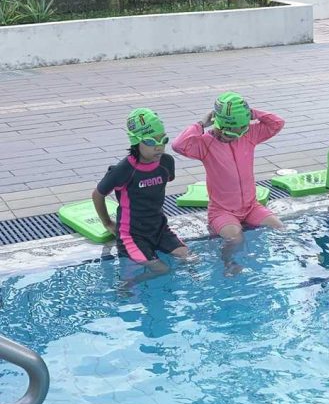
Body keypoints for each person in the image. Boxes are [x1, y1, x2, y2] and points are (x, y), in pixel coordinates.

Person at [172, 91, 284, 273]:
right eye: (231, 134)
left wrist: (251, 113)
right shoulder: (205, 144)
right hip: (222, 211)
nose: (236, 137)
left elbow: (277, 123)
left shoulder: (249, 135)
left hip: (251, 207)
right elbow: (178, 145)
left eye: (242, 130)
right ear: (219, 126)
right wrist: (200, 124)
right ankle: (227, 263)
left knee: (279, 228)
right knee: (235, 239)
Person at [92, 108, 189, 284]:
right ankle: (128, 283)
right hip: (132, 235)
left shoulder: (166, 163)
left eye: (163, 139)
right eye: (152, 141)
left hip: (159, 229)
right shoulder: (124, 170)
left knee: (188, 258)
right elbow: (98, 194)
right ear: (136, 141)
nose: (159, 146)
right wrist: (107, 223)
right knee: (162, 270)